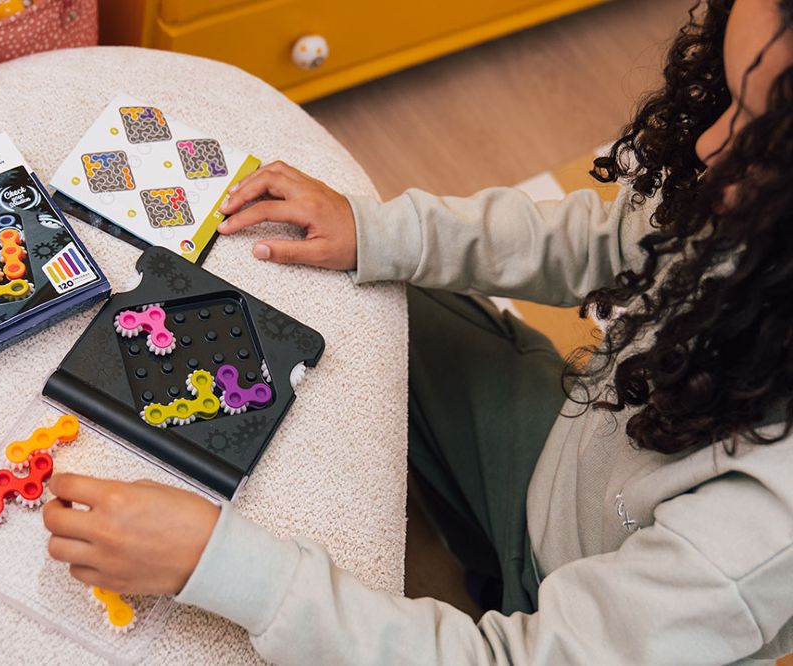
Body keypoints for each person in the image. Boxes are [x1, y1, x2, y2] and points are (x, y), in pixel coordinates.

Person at [41, 0, 793, 662]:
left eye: (757, 145)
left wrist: (220, 566)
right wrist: (377, 231)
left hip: (566, 620)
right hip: (565, 462)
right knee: (357, 291)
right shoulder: (742, 215)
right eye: (729, 102)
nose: (706, 150)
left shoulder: (765, 530)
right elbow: (615, 237)